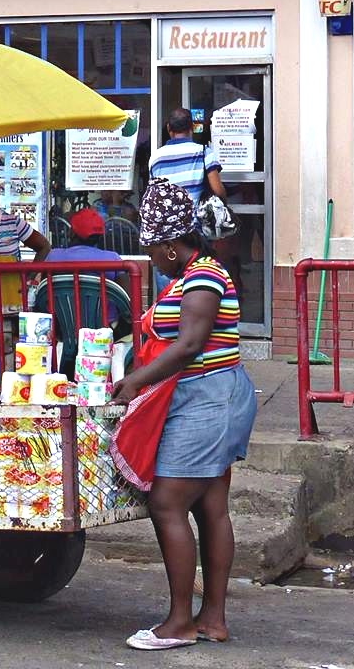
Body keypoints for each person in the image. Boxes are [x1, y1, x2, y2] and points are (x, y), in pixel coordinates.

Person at [112, 178, 256, 651]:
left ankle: (179, 622)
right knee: (211, 507)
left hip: (207, 400)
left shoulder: (204, 277)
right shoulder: (191, 274)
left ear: (173, 247)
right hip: (208, 396)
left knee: (168, 503)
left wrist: (136, 381)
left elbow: (190, 344)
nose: (151, 257)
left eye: (153, 249)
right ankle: (211, 618)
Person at [149, 107, 227, 207]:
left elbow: (154, 191)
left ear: (168, 128)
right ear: (192, 127)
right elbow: (218, 191)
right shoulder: (203, 152)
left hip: (165, 221)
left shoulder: (155, 157)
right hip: (194, 221)